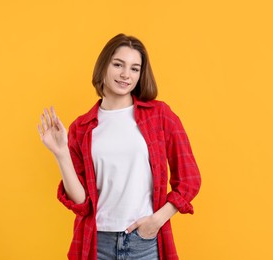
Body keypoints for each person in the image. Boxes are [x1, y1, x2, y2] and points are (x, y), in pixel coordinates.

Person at [38, 33, 201, 260]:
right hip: (97, 243)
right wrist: (61, 153)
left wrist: (156, 221)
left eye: (135, 68)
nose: (126, 75)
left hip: (145, 242)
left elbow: (190, 179)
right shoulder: (82, 127)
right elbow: (81, 203)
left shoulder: (160, 116)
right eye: (118, 65)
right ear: (104, 66)